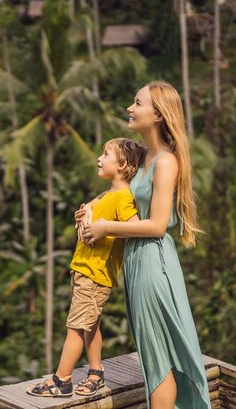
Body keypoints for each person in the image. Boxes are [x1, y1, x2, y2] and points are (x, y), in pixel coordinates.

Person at [77, 81, 212, 409]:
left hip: (153, 263)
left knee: (157, 360)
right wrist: (92, 210)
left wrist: (106, 227)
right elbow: (119, 193)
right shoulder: (146, 156)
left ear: (158, 115)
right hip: (137, 262)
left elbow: (155, 225)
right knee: (154, 355)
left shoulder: (165, 162)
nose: (130, 108)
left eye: (138, 103)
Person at [26, 137, 145, 398]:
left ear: (123, 165)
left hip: (95, 273)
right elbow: (90, 214)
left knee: (76, 327)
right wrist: (83, 215)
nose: (99, 159)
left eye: (106, 155)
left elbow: (133, 227)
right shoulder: (108, 194)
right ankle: (96, 372)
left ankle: (62, 380)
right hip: (84, 270)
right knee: (90, 325)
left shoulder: (123, 198)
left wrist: (105, 228)